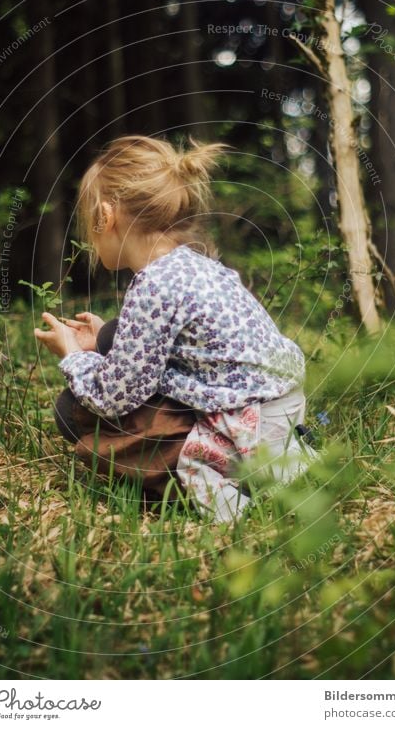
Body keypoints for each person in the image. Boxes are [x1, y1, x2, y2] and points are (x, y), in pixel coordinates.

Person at [34, 135, 317, 523]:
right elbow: (166, 347)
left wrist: (74, 355)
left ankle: (239, 496)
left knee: (72, 411)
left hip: (253, 425)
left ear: (105, 216)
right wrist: (102, 339)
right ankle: (279, 463)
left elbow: (112, 398)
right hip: (279, 403)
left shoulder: (154, 285)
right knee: (114, 333)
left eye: (88, 225)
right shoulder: (191, 265)